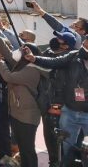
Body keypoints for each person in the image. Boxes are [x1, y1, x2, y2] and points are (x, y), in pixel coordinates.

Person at [24, 35, 88, 166]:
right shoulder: (74, 55)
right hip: (70, 111)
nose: (86, 44)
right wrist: (34, 58)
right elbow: (54, 62)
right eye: (86, 41)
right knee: (66, 148)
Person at [0, 27, 41, 167]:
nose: (19, 53)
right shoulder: (22, 64)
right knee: (21, 148)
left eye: (24, 51)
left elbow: (9, 77)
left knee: (27, 150)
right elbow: (9, 55)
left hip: (27, 117)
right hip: (18, 113)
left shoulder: (32, 69)